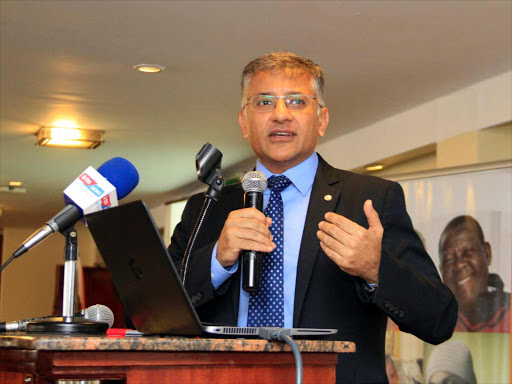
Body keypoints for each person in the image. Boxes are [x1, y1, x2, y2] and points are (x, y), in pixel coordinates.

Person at [169, 52, 457, 383]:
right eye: (264, 103)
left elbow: (439, 320)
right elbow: (151, 314)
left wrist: (376, 269)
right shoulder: (208, 207)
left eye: (296, 102)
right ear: (244, 122)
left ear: (321, 119)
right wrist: (217, 260)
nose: (280, 115)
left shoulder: (371, 199)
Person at [439, 215, 510, 332]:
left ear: (487, 253)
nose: (459, 265)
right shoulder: (433, 320)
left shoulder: (509, 311)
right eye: (449, 260)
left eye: (468, 252)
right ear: (441, 270)